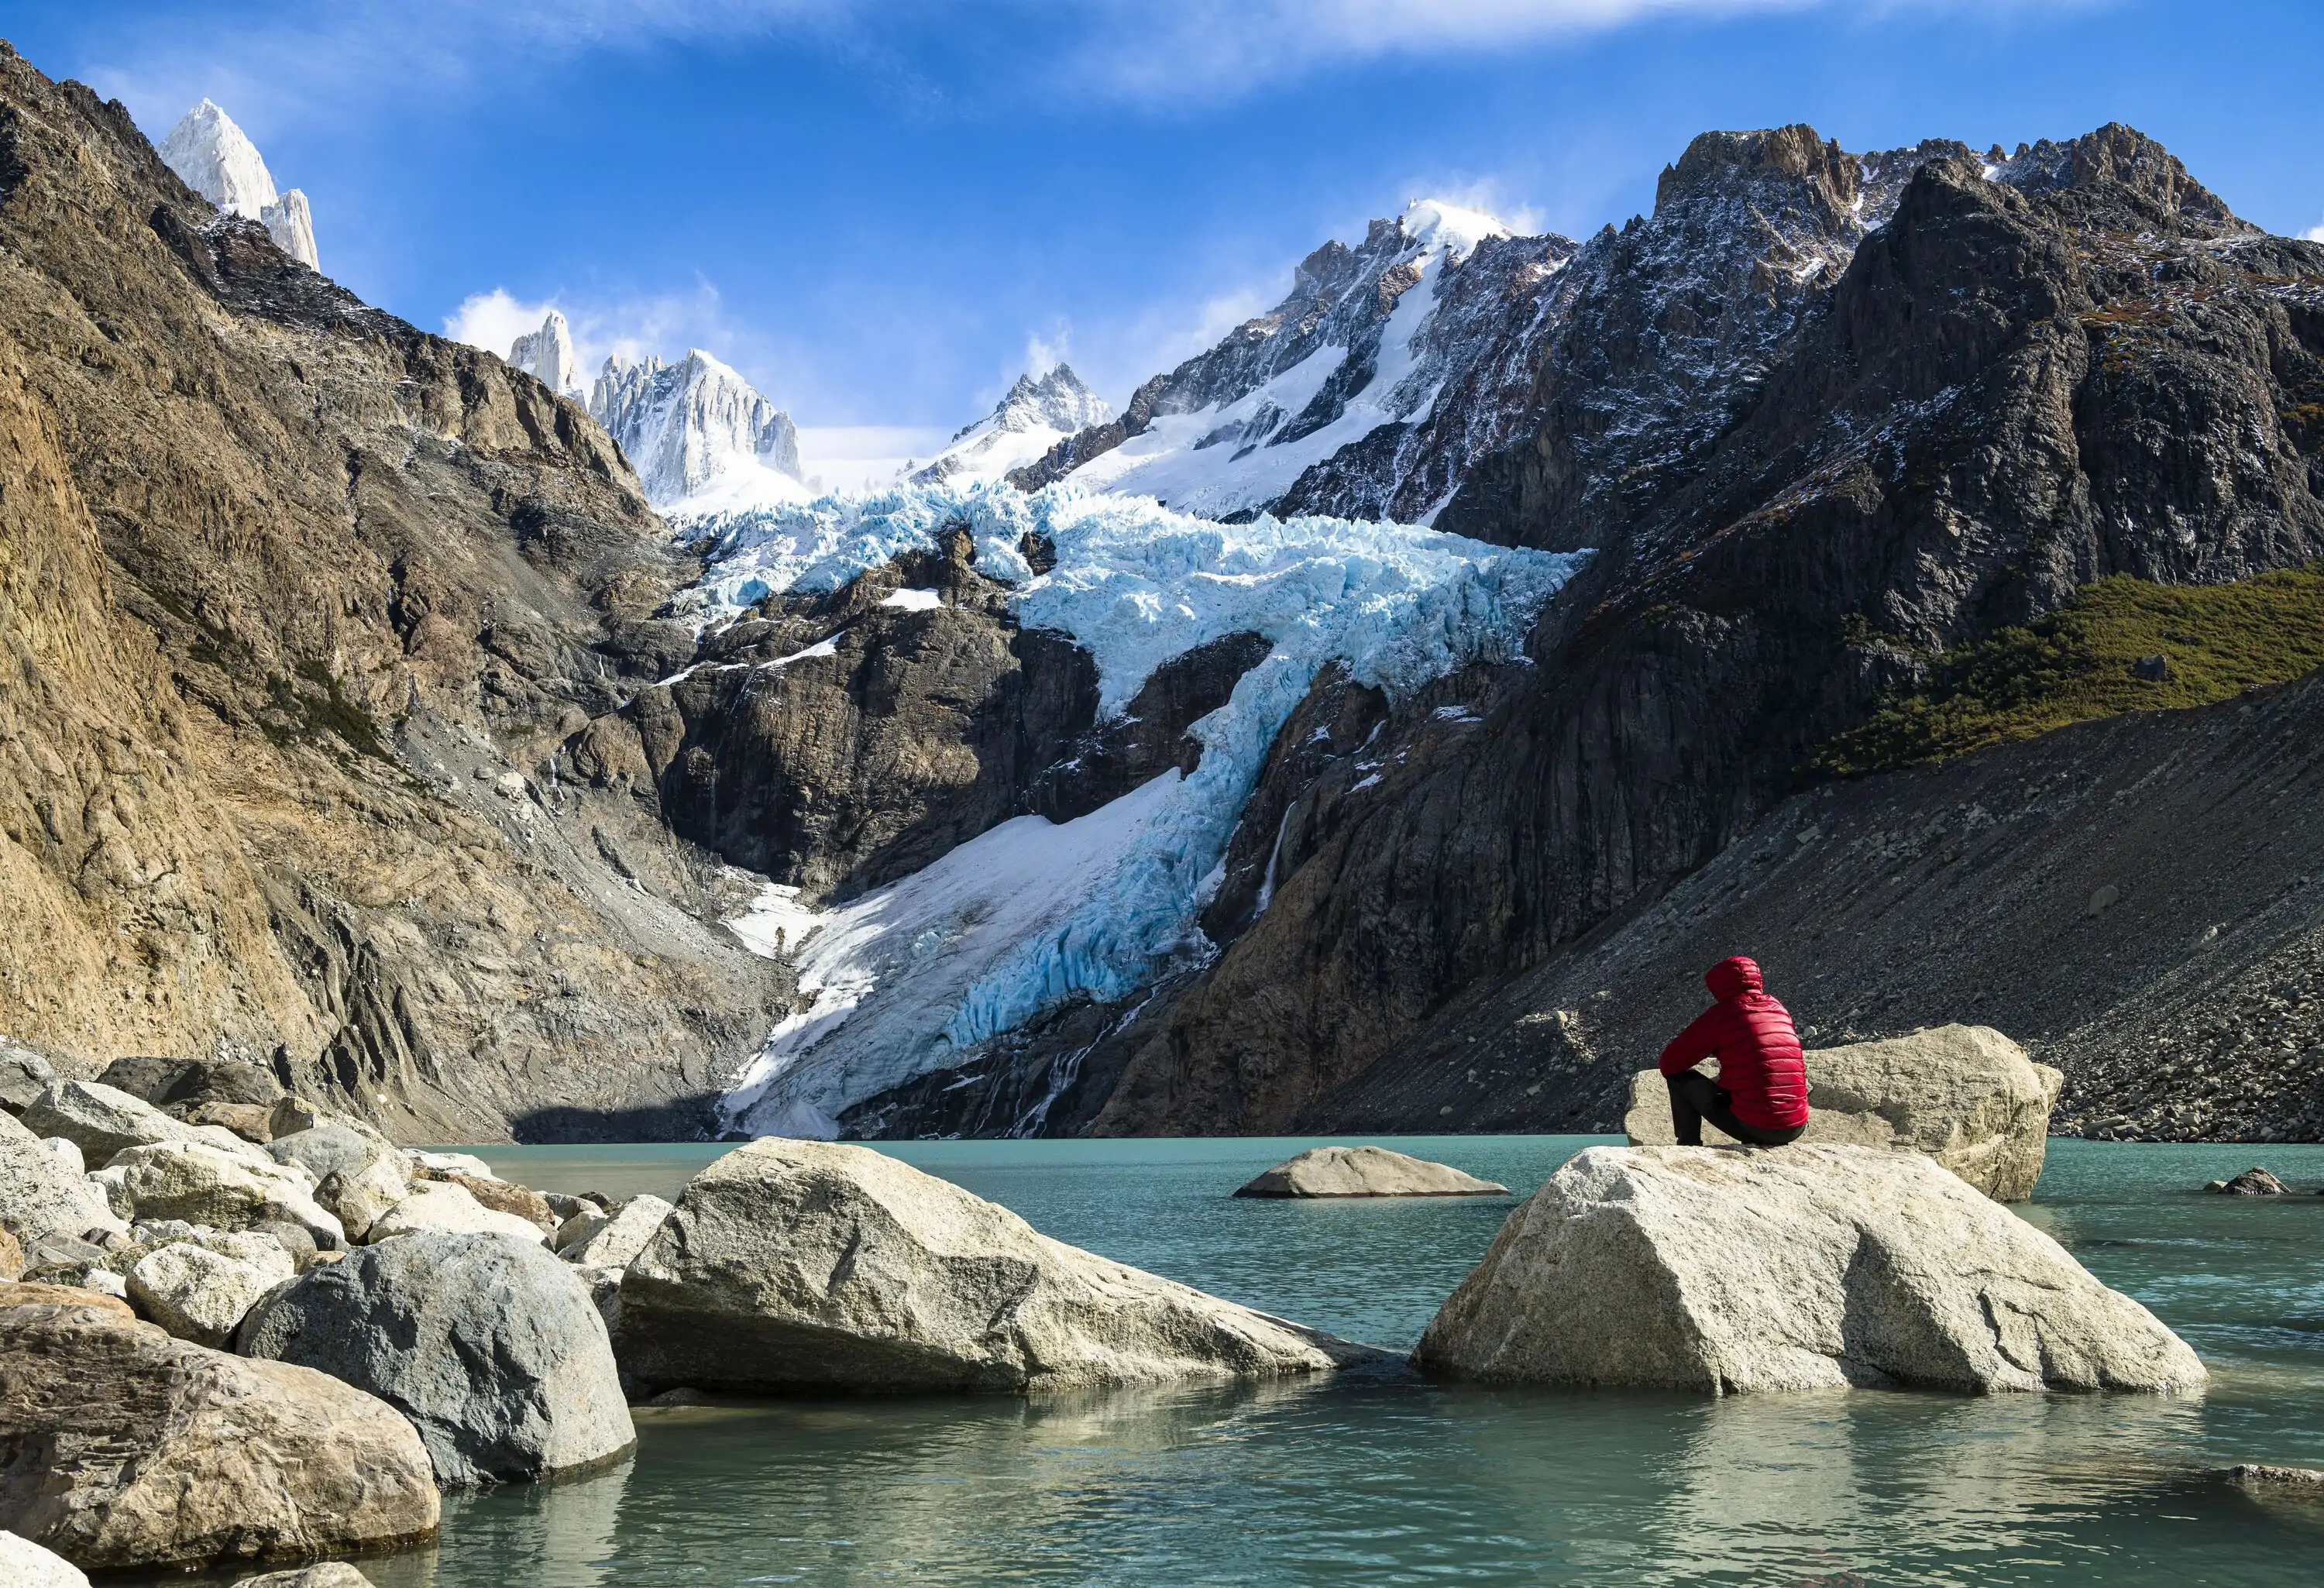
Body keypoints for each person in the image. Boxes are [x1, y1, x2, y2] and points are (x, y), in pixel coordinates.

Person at [1658, 955, 1809, 1147]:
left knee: (1679, 1077)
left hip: (1757, 1128)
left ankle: (1689, 1144)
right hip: (1796, 1127)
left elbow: (1669, 1063)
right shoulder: (1777, 1008)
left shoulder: (1722, 1015)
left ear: (1718, 986)